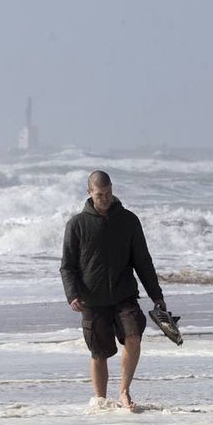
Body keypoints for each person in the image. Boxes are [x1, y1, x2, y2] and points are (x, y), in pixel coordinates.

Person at [60, 170, 167, 412]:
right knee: (99, 352)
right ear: (90, 193)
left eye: (109, 193)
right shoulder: (77, 224)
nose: (105, 198)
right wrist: (72, 294)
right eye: (100, 194)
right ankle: (100, 400)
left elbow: (143, 261)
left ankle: (124, 392)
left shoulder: (129, 221)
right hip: (92, 300)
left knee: (133, 336)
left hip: (124, 295)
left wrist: (156, 296)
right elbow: (67, 266)